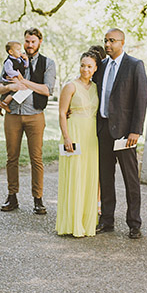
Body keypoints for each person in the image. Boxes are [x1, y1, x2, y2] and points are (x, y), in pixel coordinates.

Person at [94, 28, 147, 239]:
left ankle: (134, 223)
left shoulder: (135, 65)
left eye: (112, 41)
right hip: (104, 130)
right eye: (106, 41)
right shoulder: (103, 66)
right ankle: (107, 220)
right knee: (105, 178)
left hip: (125, 133)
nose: (108, 45)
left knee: (130, 180)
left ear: (122, 42)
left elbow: (141, 99)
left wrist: (136, 130)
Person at [0, 28, 57, 215]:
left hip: (35, 115)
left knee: (36, 158)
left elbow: (47, 89)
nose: (29, 45)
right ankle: (12, 196)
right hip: (13, 114)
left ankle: (38, 199)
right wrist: (13, 85)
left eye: (33, 41)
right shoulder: (11, 61)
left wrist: (25, 81)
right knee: (11, 157)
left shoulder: (48, 63)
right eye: (27, 41)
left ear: (39, 42)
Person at [55, 49, 102, 237]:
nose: (85, 69)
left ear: (95, 68)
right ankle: (71, 223)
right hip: (74, 133)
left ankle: (86, 221)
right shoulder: (70, 86)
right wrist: (66, 137)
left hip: (92, 136)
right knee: (74, 176)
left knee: (89, 176)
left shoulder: (96, 88)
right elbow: (61, 113)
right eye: (83, 65)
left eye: (89, 66)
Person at [0, 40, 28, 113]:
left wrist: (26, 59)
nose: (20, 52)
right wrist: (17, 74)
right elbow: (9, 71)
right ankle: (5, 103)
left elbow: (25, 66)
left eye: (20, 50)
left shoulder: (19, 59)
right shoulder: (9, 61)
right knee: (16, 90)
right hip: (8, 80)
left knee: (6, 94)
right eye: (18, 50)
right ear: (11, 52)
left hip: (14, 80)